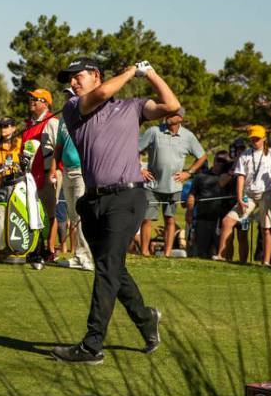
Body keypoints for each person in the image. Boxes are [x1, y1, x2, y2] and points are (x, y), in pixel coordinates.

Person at [50, 58, 179, 365]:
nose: (73, 82)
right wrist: (131, 71)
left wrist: (151, 74)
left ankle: (92, 345)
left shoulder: (133, 106)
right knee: (114, 270)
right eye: (70, 78)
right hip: (93, 201)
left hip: (127, 197)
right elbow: (100, 95)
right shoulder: (74, 106)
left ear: (95, 74)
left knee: (107, 268)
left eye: (78, 76)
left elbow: (172, 106)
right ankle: (146, 319)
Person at [138, 107, 207, 257]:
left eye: (172, 114)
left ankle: (167, 254)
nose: (167, 116)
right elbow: (134, 150)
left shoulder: (188, 136)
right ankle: (144, 252)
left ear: (180, 118)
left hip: (174, 187)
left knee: (170, 219)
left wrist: (188, 173)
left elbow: (202, 156)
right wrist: (140, 169)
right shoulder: (154, 131)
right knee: (147, 219)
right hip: (152, 185)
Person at [212, 125, 271, 264]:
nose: (255, 140)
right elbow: (241, 177)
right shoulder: (245, 155)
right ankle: (221, 255)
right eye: (252, 138)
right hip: (248, 195)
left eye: (257, 138)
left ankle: (266, 262)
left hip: (266, 193)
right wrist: (239, 197)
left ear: (264, 138)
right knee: (227, 221)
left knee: (266, 229)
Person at [20, 88, 60, 263]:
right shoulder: (29, 124)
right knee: (34, 212)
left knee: (49, 214)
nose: (32, 101)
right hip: (31, 174)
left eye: (35, 99)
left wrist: (52, 172)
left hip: (47, 173)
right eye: (30, 98)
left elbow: (58, 149)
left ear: (45, 102)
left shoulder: (52, 122)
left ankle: (49, 250)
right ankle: (37, 247)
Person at [48, 118, 93, 270]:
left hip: (82, 170)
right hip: (66, 170)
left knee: (81, 215)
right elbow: (59, 147)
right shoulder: (63, 121)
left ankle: (87, 258)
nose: (69, 99)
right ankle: (78, 256)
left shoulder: (88, 116)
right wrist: (54, 168)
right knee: (73, 215)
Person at [186, 151, 233, 259]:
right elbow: (192, 195)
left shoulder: (230, 178)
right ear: (214, 160)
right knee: (201, 252)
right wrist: (189, 213)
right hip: (202, 218)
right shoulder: (201, 176)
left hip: (221, 220)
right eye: (218, 160)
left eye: (224, 161)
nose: (221, 163)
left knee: (217, 251)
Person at [0, 118, 22, 188]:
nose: (2, 129)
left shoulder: (21, 143)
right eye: (0, 126)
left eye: (5, 126)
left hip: (16, 183)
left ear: (13, 128)